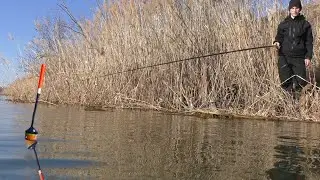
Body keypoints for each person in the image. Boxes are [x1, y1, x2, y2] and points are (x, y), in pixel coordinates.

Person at [273, 0, 313, 96]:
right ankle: (289, 101)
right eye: (292, 8)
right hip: (284, 56)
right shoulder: (283, 24)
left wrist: (308, 56)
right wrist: (276, 42)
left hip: (299, 57)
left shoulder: (305, 24)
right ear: (289, 9)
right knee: (286, 81)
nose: (294, 10)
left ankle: (299, 100)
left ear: (300, 9)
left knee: (301, 81)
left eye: (297, 8)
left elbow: (309, 42)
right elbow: (279, 37)